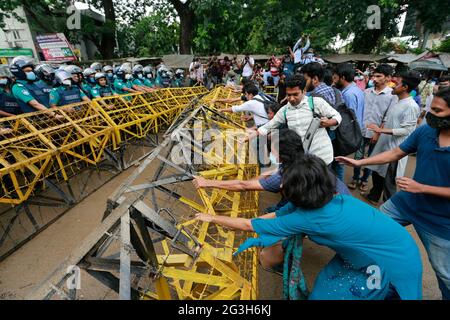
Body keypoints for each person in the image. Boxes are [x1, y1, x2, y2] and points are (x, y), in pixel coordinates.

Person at [196, 154, 422, 300]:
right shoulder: (331, 197)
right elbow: (275, 217)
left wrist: (210, 218)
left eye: (287, 181)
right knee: (325, 285)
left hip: (390, 264)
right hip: (386, 246)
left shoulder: (310, 218)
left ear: (301, 189)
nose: (281, 184)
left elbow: (248, 225)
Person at [336, 86, 450, 300]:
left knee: (445, 274)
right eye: (431, 109)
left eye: (438, 111)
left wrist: (422, 188)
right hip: (407, 202)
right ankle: (373, 279)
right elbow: (397, 152)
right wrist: (361, 162)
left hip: (440, 220)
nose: (430, 115)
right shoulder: (426, 131)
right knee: (370, 228)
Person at [193, 129, 351, 211]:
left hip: (336, 212)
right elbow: (266, 177)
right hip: (346, 200)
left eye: (272, 151)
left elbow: (243, 186)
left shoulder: (286, 176)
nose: (270, 154)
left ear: (282, 155)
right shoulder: (307, 157)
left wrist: (206, 182)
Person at [252, 75, 342, 166]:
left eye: (295, 94)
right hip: (302, 159)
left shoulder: (316, 102)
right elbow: (268, 126)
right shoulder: (285, 110)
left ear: (304, 91)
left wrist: (330, 122)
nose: (291, 99)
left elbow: (337, 116)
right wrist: (253, 134)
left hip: (322, 157)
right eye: (289, 95)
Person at [363, 71, 421, 204]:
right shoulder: (398, 101)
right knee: (378, 174)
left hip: (395, 149)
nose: (392, 86)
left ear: (405, 87)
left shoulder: (411, 106)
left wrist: (381, 130)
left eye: (396, 83)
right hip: (385, 145)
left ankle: (390, 209)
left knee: (389, 181)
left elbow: (407, 130)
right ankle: (374, 196)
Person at [349, 64, 398, 192]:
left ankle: (365, 180)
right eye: (374, 76)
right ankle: (355, 178)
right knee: (358, 157)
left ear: (387, 78)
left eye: (378, 76)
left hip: (376, 134)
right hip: (361, 130)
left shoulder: (392, 96)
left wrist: (377, 133)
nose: (374, 79)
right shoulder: (366, 92)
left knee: (371, 159)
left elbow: (387, 117)